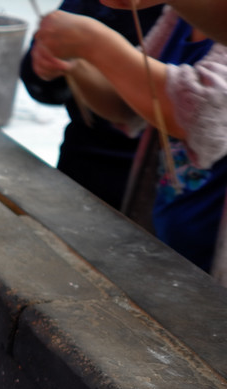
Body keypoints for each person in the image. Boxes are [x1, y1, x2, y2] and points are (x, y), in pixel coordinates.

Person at [35, 8, 227, 272]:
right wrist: (75, 64)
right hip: (167, 237)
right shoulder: (178, 17)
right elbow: (128, 103)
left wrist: (94, 42)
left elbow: (202, 115)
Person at [21, 1, 162, 209]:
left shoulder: (185, 20)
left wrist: (92, 46)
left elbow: (143, 110)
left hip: (155, 186)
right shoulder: (86, 6)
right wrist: (51, 63)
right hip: (81, 163)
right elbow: (45, 89)